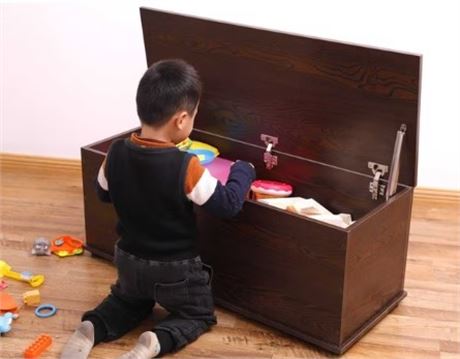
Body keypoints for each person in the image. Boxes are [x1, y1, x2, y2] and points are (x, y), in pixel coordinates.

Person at [60, 59, 256, 359]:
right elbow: (228, 204)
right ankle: (156, 340)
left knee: (127, 302)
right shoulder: (186, 166)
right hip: (175, 271)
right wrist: (244, 169)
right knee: (200, 315)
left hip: (128, 263)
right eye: (193, 117)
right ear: (181, 120)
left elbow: (102, 192)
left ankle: (92, 327)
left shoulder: (115, 152)